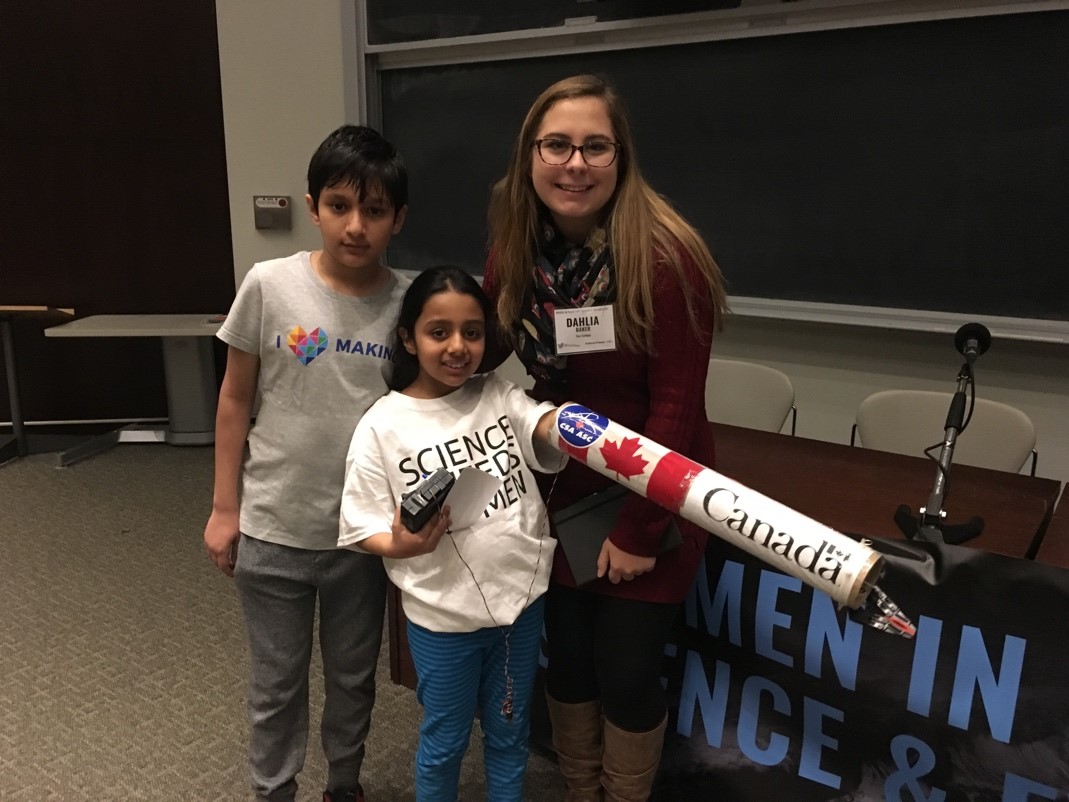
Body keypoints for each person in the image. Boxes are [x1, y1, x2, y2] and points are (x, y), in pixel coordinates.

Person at [481, 74, 729, 801]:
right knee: (570, 668)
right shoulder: (515, 256)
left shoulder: (665, 258)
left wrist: (640, 527)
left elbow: (677, 408)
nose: (575, 163)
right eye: (556, 145)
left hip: (650, 493)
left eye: (595, 146)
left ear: (620, 160)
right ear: (529, 156)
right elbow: (487, 366)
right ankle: (579, 792)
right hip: (559, 498)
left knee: (624, 677)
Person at [203, 124, 410, 802]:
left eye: (374, 211)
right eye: (339, 205)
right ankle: (274, 789)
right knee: (277, 682)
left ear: (397, 220)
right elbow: (234, 399)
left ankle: (342, 785)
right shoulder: (269, 284)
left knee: (353, 679)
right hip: (272, 528)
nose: (355, 226)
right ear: (313, 205)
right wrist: (223, 508)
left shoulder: (411, 303)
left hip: (361, 536)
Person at [338, 266, 567, 802]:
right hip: (444, 620)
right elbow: (361, 524)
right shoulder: (383, 425)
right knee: (446, 742)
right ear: (408, 339)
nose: (458, 347)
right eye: (439, 332)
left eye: (472, 332)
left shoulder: (497, 394)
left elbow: (542, 427)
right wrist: (400, 544)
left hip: (520, 604)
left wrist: (567, 424)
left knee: (511, 735)